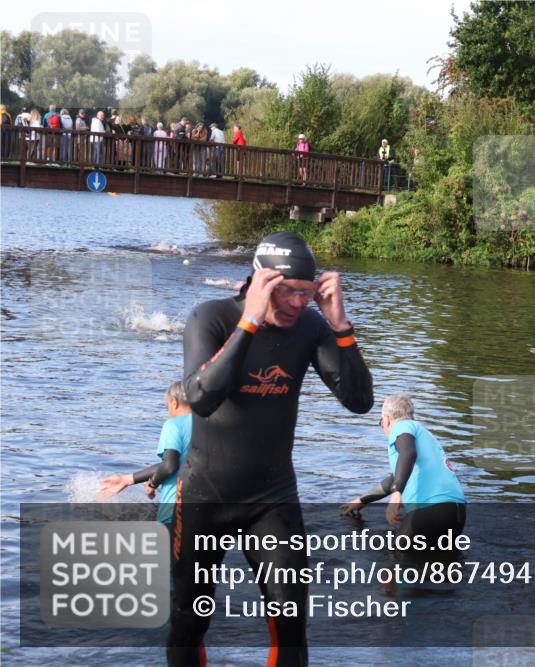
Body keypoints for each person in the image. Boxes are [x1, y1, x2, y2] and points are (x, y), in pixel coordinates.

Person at [168, 231, 373, 666]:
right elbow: (202, 398)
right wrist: (250, 322)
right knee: (189, 622)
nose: (299, 304)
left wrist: (340, 326)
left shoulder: (311, 328)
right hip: (206, 497)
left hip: (272, 500)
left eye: (306, 292)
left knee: (292, 625)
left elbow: (359, 402)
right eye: (287, 292)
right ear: (259, 281)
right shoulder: (212, 318)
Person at [341, 395, 466, 546]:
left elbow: (408, 454)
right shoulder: (424, 435)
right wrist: (362, 500)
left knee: (397, 561)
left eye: (381, 422)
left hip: (430, 510)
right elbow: (396, 477)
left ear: (387, 419)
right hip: (457, 513)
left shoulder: (401, 426)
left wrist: (396, 494)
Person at [99, 382, 193, 529]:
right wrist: (127, 479)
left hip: (176, 509)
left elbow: (169, 466)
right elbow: (177, 463)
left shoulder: (174, 425)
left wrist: (152, 483)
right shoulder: (209, 425)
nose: (168, 411)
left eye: (167, 405)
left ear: (174, 402)